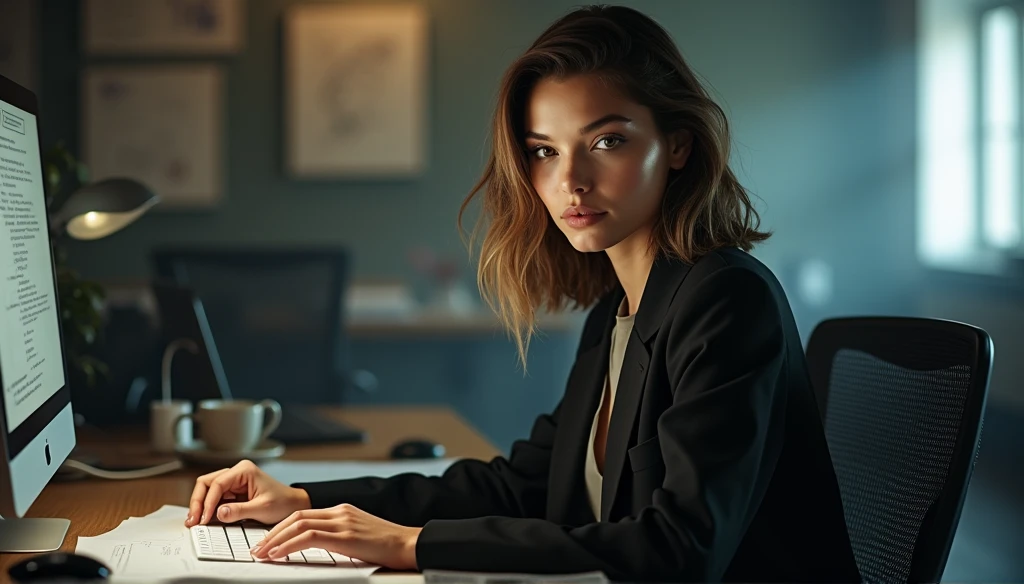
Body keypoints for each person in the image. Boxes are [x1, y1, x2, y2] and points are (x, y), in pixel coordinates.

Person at [185, 5, 861, 582]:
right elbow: (524, 487)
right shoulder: (616, 312)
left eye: (608, 141)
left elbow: (677, 551)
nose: (572, 180)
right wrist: (302, 498)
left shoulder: (727, 300)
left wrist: (407, 546)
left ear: (677, 145)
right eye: (543, 150)